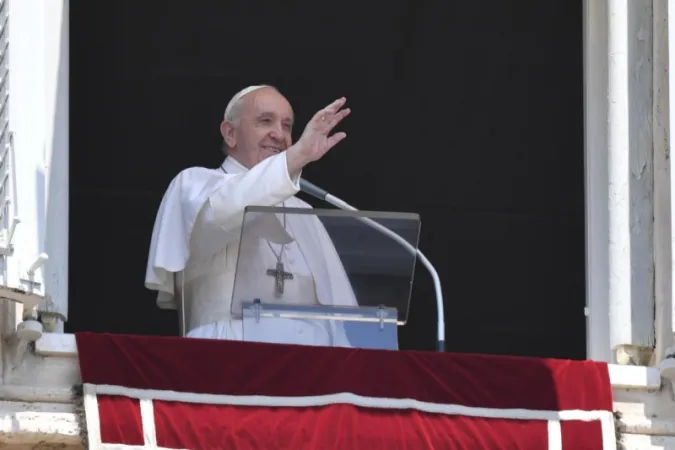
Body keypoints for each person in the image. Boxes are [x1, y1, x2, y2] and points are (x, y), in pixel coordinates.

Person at [144, 85, 358, 347]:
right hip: (225, 356)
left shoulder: (304, 212)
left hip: (311, 368)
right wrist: (298, 156)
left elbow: (345, 317)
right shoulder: (194, 184)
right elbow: (228, 207)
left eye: (287, 125)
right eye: (265, 121)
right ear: (230, 133)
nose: (279, 134)